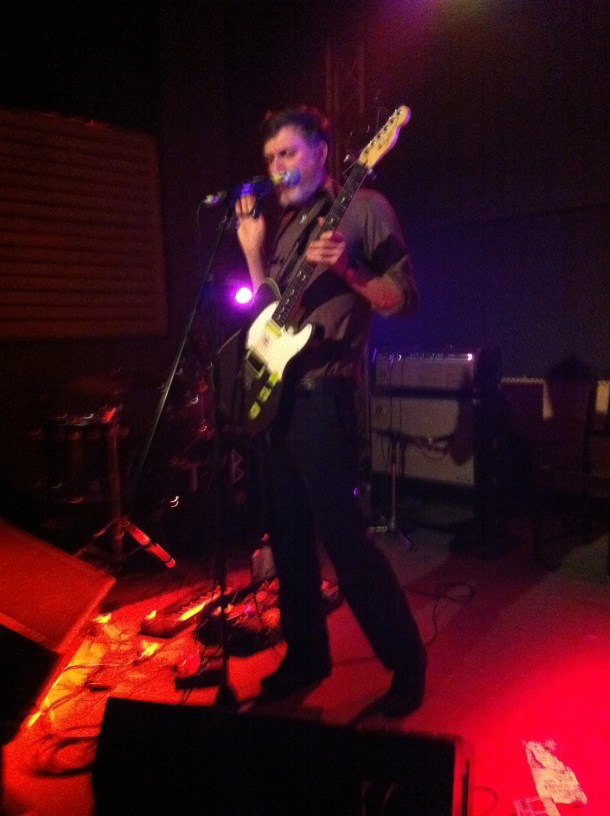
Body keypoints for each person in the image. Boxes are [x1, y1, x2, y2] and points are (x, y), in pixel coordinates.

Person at [234, 105, 426, 717]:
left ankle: (407, 663)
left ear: (321, 151)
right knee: (289, 541)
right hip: (280, 400)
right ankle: (306, 657)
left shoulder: (365, 208)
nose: (278, 168)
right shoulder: (286, 229)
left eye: (288, 153)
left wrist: (347, 267)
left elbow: (403, 300)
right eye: (270, 159)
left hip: (325, 397)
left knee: (345, 542)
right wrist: (254, 255)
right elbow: (268, 319)